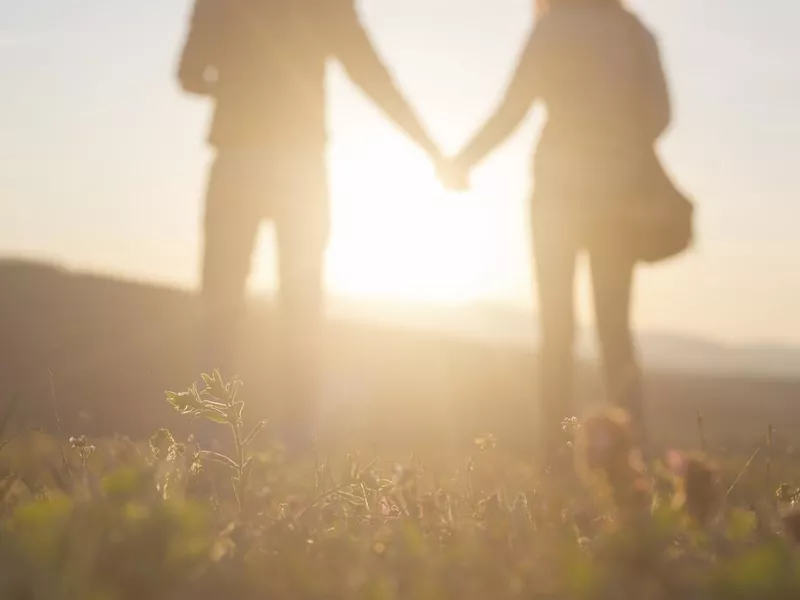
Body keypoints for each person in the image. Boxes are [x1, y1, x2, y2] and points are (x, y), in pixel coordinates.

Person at [176, 0, 444, 448]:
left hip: (238, 156)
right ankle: (299, 437)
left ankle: (212, 435)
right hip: (301, 164)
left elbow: (187, 74)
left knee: (220, 303)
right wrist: (431, 149)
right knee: (302, 304)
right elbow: (371, 75)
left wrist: (230, 82)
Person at [443, 0, 672, 457]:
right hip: (619, 193)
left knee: (555, 324)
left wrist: (464, 160)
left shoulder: (552, 29)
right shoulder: (634, 32)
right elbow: (661, 115)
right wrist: (621, 138)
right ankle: (630, 450)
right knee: (614, 325)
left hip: (557, 189)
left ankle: (556, 448)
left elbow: (513, 107)